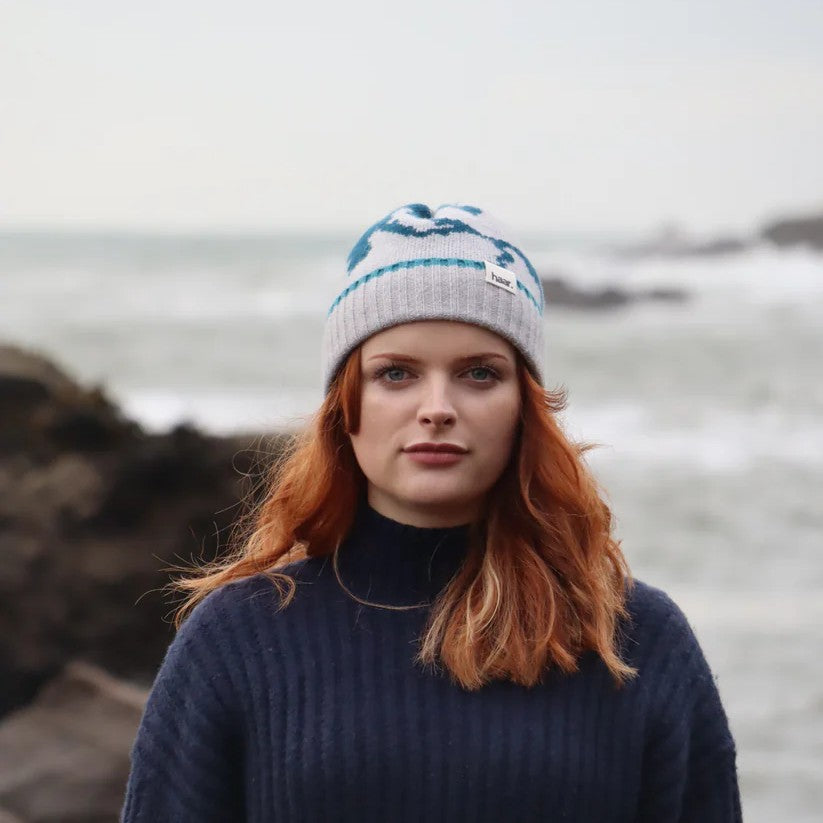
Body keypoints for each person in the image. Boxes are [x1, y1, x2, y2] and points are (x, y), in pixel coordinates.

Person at [120, 203, 742, 822]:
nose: (437, 407)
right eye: (396, 373)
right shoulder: (237, 641)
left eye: (479, 373)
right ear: (346, 405)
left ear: (525, 407)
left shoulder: (633, 643)